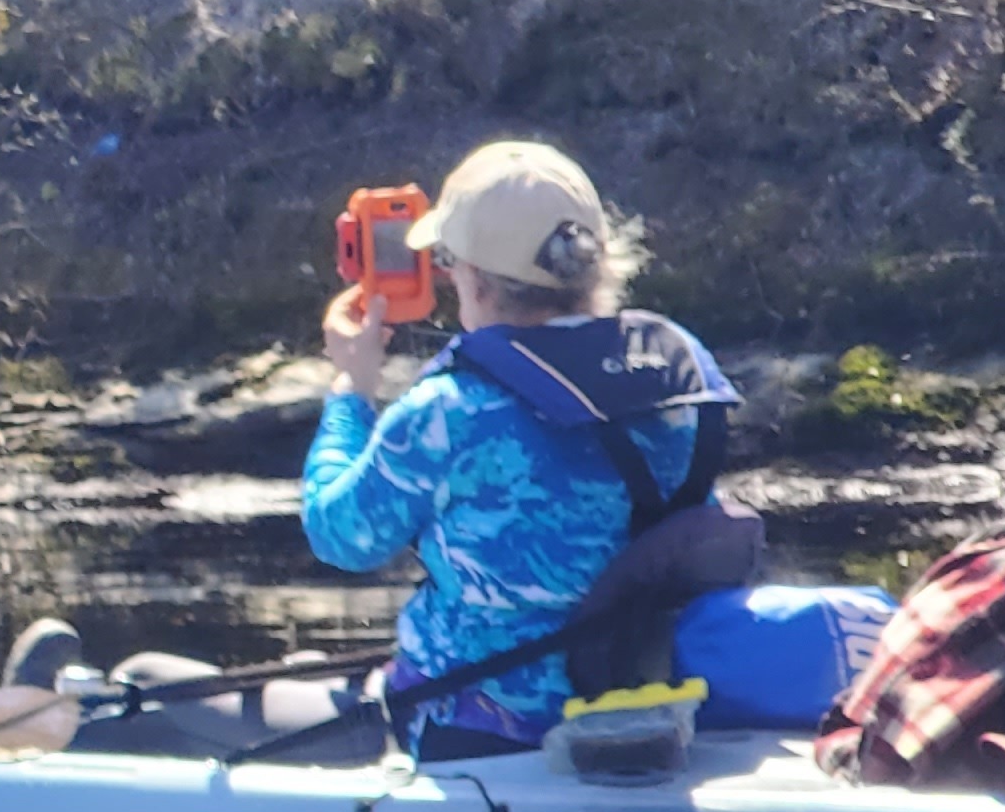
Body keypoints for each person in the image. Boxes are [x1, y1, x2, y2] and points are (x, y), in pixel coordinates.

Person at [299, 140, 731, 758]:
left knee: (170, 677)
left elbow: (339, 533)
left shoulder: (450, 409)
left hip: (480, 722)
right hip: (647, 702)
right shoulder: (674, 375)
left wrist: (350, 390)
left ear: (472, 277)